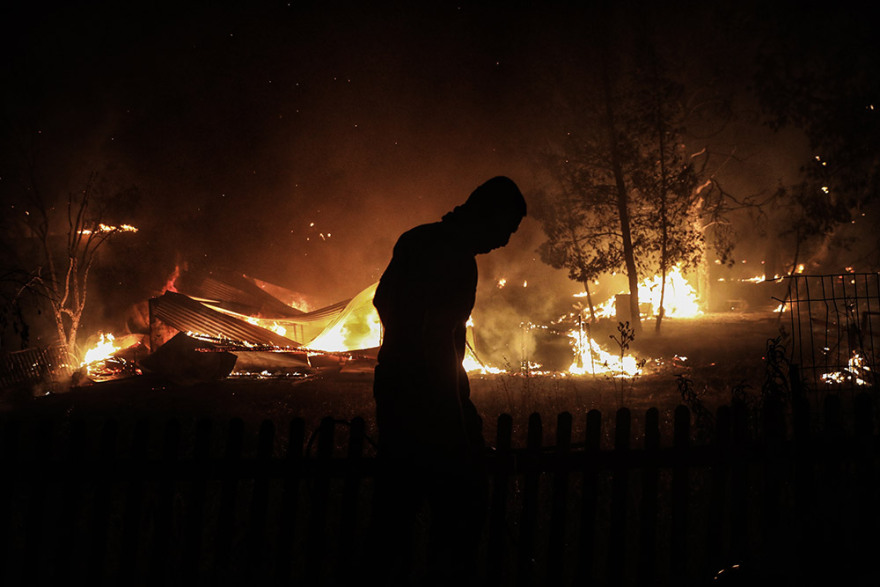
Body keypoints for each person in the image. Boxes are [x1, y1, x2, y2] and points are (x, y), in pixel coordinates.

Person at [363, 176, 526, 587]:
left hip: (395, 388)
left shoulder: (415, 239)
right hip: (429, 402)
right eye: (506, 228)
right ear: (488, 215)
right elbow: (437, 343)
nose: (505, 241)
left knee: (394, 510)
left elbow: (382, 300)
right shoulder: (456, 260)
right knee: (461, 509)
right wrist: (456, 417)